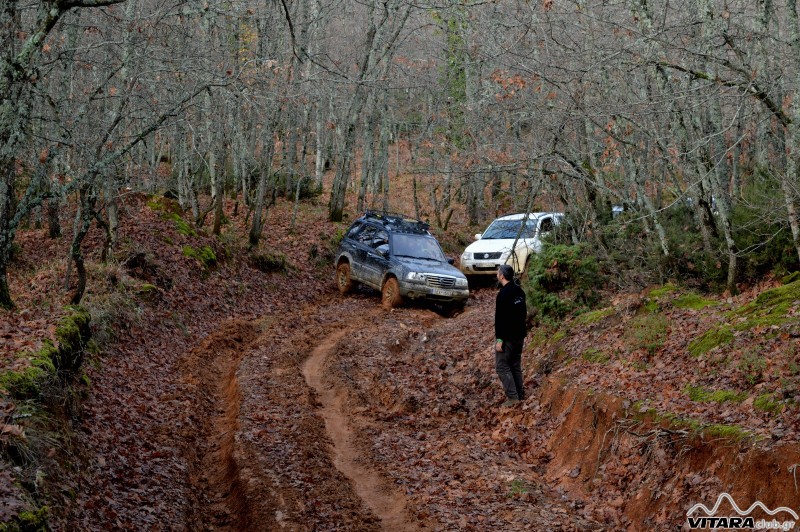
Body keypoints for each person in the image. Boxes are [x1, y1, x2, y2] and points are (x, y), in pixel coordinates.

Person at [494, 264, 527, 407]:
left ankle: (513, 398)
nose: (497, 274)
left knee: (502, 366)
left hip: (508, 337)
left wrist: (500, 339)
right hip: (519, 336)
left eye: (497, 272)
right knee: (515, 364)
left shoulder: (503, 294)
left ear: (502, 276)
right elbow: (523, 314)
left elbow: (500, 319)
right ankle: (520, 394)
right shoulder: (520, 291)